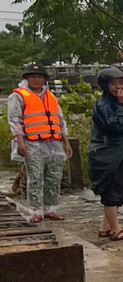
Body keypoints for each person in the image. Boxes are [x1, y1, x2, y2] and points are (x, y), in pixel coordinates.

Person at [8, 63, 72, 224]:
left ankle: (50, 209)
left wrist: (66, 142)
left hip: (53, 142)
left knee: (54, 177)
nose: (36, 79)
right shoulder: (18, 96)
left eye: (39, 77)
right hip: (32, 143)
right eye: (32, 76)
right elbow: (15, 121)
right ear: (27, 78)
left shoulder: (51, 96)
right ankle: (36, 211)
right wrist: (20, 142)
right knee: (35, 177)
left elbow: (60, 121)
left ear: (44, 79)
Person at [88, 67, 123, 241]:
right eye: (113, 83)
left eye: (121, 82)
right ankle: (116, 230)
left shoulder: (115, 102)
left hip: (120, 152)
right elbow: (117, 126)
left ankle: (105, 227)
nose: (118, 86)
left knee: (119, 188)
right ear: (105, 85)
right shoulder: (104, 105)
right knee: (111, 191)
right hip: (108, 155)